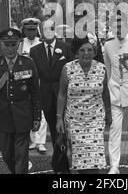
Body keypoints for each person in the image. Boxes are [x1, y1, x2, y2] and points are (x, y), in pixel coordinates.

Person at [0, 28, 41, 174]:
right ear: (1, 45)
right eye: (6, 45)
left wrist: (37, 117)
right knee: (6, 152)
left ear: (19, 44)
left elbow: (35, 92)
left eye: (13, 44)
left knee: (21, 153)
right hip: (2, 116)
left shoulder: (28, 63)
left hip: (23, 115)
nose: (9, 48)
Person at [56, 33, 112, 174]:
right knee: (80, 161)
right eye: (82, 50)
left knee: (95, 159)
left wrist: (109, 113)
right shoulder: (67, 69)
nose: (86, 53)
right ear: (76, 52)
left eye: (90, 50)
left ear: (95, 52)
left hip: (96, 120)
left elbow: (105, 93)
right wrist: (59, 118)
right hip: (75, 121)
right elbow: (62, 95)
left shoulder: (101, 69)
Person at [29, 18, 74, 172]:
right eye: (45, 28)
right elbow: (34, 76)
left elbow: (72, 71)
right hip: (46, 97)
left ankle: (61, 163)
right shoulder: (34, 51)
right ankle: (61, 165)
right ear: (41, 30)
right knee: (56, 131)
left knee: (66, 131)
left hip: (65, 96)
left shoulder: (65, 48)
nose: (48, 30)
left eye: (51, 27)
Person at [104, 12, 128, 174]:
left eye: (122, 26)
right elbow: (108, 70)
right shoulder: (108, 45)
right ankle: (114, 165)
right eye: (116, 26)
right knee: (114, 131)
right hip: (114, 91)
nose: (119, 29)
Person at [17, 17, 48, 154]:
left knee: (41, 112)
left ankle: (41, 142)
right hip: (24, 83)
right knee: (28, 111)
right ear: (24, 30)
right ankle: (32, 140)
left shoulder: (41, 43)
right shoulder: (19, 44)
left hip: (39, 82)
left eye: (34, 29)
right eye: (28, 30)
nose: (31, 32)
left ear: (37, 30)